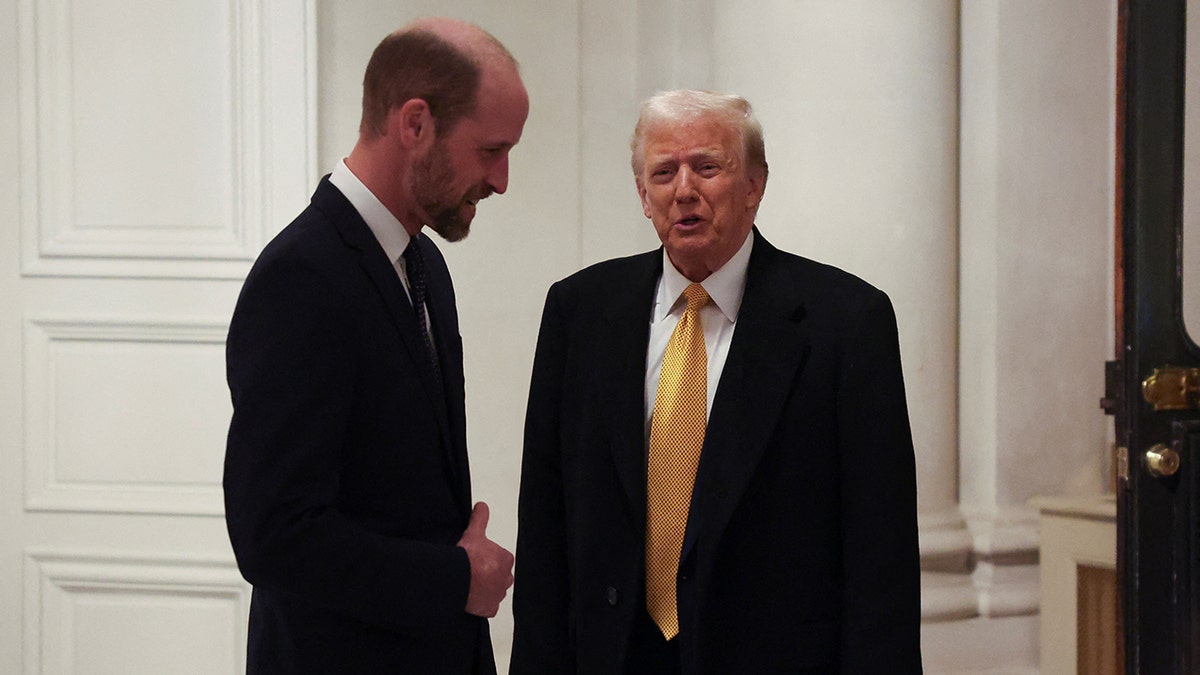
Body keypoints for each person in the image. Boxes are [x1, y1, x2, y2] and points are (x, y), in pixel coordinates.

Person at [510, 89, 922, 674]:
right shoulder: (578, 312)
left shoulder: (846, 323)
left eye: (707, 167)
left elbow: (881, 560)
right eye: (663, 172)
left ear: (754, 185)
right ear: (643, 197)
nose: (684, 190)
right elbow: (546, 525)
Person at [223, 17, 528, 674]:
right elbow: (273, 536)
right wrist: (454, 576)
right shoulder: (300, 277)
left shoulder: (425, 267)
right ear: (413, 124)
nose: (502, 180)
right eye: (490, 150)